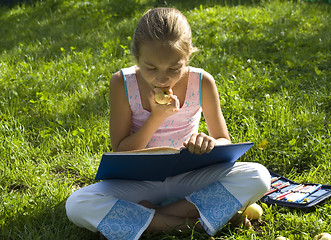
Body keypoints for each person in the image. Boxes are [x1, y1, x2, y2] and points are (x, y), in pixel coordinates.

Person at [65, 7, 270, 240]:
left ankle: (147, 218)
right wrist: (157, 117)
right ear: (136, 58)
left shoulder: (202, 82)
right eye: (150, 68)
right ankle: (193, 224)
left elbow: (224, 140)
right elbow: (121, 150)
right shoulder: (123, 83)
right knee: (77, 204)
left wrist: (209, 142)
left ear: (188, 56)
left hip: (191, 176)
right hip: (139, 182)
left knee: (258, 175)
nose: (163, 78)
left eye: (174, 68)